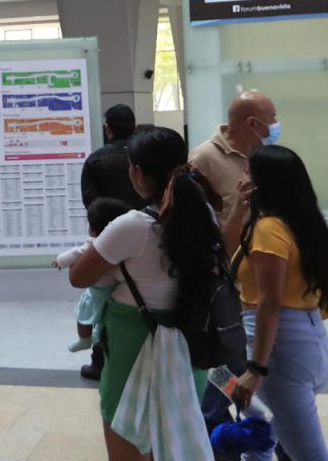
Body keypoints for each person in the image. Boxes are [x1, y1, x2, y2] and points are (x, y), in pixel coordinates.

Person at [69, 126, 220, 461]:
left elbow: (79, 277)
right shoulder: (203, 214)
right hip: (190, 342)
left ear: (137, 173)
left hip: (133, 344)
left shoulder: (131, 226)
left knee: (129, 434)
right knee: (178, 434)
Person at [228, 145, 328, 461]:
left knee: (308, 455)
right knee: (259, 443)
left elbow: (270, 302)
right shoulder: (302, 223)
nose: (242, 178)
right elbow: (228, 253)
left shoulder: (268, 230)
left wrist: (256, 368)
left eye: (248, 172)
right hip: (310, 340)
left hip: (277, 351)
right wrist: (240, 208)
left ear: (263, 182)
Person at [77, 104, 147, 380]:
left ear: (108, 129)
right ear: (135, 127)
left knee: (104, 298)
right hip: (149, 237)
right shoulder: (146, 158)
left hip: (109, 242)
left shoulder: (96, 160)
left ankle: (100, 359)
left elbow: (92, 205)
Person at [52, 197, 132, 357]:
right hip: (116, 291)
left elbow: (75, 253)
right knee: (104, 319)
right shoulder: (123, 243)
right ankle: (97, 337)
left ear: (92, 227)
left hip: (97, 290)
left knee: (83, 314)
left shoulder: (94, 244)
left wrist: (60, 260)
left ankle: (84, 339)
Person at [192, 90, 278, 223]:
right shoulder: (202, 158)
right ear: (252, 123)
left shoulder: (265, 155)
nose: (276, 123)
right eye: (272, 117)